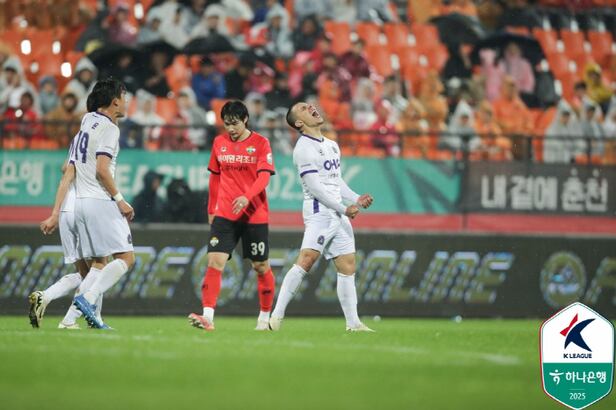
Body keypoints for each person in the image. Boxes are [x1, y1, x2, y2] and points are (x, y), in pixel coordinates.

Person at [269, 102, 375, 332]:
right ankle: (275, 317)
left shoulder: (331, 145)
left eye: (309, 105)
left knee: (347, 265)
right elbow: (316, 188)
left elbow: (335, 181)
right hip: (320, 212)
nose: (310, 107)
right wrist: (344, 208)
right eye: (303, 108)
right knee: (306, 260)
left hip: (337, 212)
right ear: (299, 122)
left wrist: (356, 198)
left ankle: (353, 323)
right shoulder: (303, 149)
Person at [188, 100, 276, 331]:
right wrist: (211, 209)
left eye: (235, 123)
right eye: (227, 124)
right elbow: (215, 178)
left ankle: (264, 317)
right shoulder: (219, 143)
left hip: (254, 214)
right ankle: (208, 317)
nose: (231, 129)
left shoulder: (261, 143)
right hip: (225, 214)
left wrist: (247, 196)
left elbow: (264, 177)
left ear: (245, 119)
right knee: (214, 261)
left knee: (260, 266)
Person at [71, 77, 136, 329]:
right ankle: (87, 298)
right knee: (126, 257)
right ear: (115, 101)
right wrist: (120, 200)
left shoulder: (87, 119)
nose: (126, 102)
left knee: (99, 264)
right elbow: (102, 169)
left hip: (80, 201)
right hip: (100, 200)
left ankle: (79, 319)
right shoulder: (110, 129)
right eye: (124, 97)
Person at [30, 145, 106, 330]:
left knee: (84, 274)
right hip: (82, 210)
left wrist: (56, 214)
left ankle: (46, 296)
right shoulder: (97, 148)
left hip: (66, 211)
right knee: (100, 266)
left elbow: (64, 169)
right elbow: (75, 173)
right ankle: (74, 319)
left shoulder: (79, 146)